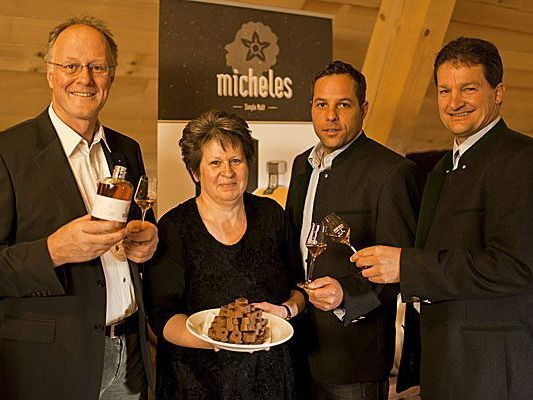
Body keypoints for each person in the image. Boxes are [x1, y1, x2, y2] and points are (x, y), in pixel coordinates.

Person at [352, 37, 533, 400]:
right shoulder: (439, 171)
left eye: (469, 88)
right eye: (445, 90)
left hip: (492, 372)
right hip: (442, 366)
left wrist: (406, 264)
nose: (454, 103)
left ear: (498, 92)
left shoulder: (522, 159)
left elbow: (514, 266)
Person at [0, 16, 158, 400]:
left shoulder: (128, 148)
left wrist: (149, 239)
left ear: (111, 77)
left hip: (131, 356)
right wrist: (52, 251)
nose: (84, 78)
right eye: (71, 65)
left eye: (98, 67)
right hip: (51, 367)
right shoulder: (7, 152)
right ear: (50, 73)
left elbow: (140, 222)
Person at [145, 109, 305, 400]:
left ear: (247, 164)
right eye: (215, 162)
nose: (228, 172)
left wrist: (286, 310)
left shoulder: (272, 215)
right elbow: (161, 316)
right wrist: (213, 339)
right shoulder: (173, 228)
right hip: (196, 382)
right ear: (195, 171)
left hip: (270, 378)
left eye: (236, 160)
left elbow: (299, 289)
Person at [284, 60, 419, 400]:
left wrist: (347, 295)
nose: (330, 116)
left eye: (343, 105)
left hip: (353, 360)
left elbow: (401, 270)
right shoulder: (302, 165)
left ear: (364, 109)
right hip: (294, 345)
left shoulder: (392, 172)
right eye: (321, 105)